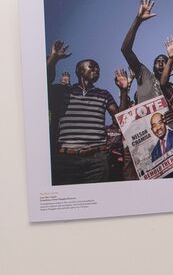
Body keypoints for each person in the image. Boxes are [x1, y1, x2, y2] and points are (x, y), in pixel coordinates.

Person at [45, 41, 121, 184]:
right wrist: (54, 58)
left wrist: (123, 91)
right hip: (66, 160)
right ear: (80, 71)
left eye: (98, 68)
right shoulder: (63, 92)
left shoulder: (104, 94)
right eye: (92, 67)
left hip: (97, 161)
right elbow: (43, 82)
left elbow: (120, 119)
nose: (96, 70)